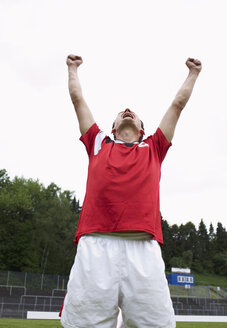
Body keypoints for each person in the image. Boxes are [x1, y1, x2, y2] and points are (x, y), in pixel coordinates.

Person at [60, 55, 202, 328]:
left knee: (155, 324)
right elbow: (78, 100)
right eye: (121, 112)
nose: (127, 109)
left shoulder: (154, 148)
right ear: (113, 128)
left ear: (141, 130)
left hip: (143, 251)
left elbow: (178, 104)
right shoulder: (97, 143)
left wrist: (193, 73)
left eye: (134, 113)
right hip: (95, 249)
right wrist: (72, 69)